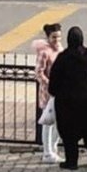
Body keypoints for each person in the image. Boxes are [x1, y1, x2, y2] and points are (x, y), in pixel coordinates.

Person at [48, 27, 87, 170]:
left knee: (69, 132)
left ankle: (71, 161)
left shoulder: (63, 58)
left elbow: (54, 81)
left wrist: (55, 92)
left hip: (67, 103)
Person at [33, 23, 63, 164]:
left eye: (58, 36)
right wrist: (49, 84)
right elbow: (39, 73)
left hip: (60, 91)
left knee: (59, 121)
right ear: (48, 37)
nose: (56, 39)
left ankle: (53, 146)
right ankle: (47, 152)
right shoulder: (44, 52)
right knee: (48, 121)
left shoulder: (60, 49)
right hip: (48, 92)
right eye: (54, 37)